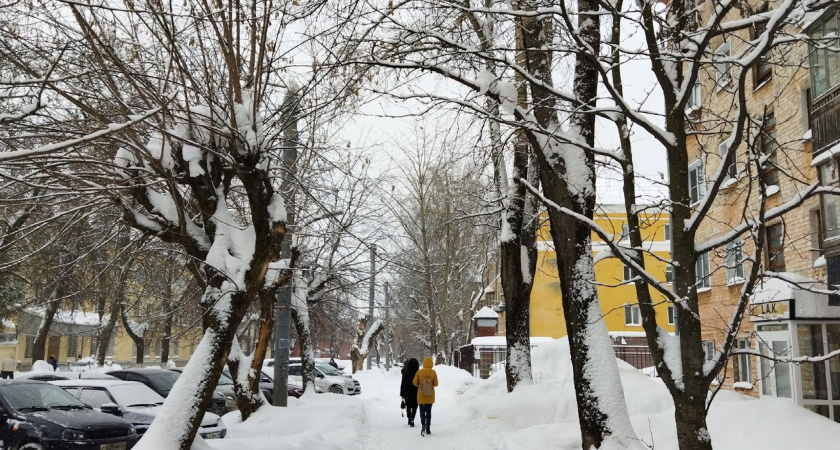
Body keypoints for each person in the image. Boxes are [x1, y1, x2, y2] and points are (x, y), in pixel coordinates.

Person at [412, 356, 438, 436]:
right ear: (431, 364)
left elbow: (414, 382)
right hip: (430, 396)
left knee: (422, 411)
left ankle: (423, 424)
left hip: (421, 396)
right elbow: (436, 384)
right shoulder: (433, 372)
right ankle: (428, 428)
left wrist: (420, 384)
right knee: (429, 412)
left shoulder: (419, 372)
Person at [399, 358, 420, 427]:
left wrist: (402, 393)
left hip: (407, 391)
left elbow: (403, 383)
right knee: (415, 405)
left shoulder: (406, 372)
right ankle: (412, 418)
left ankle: (409, 417)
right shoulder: (418, 373)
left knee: (408, 405)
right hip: (416, 391)